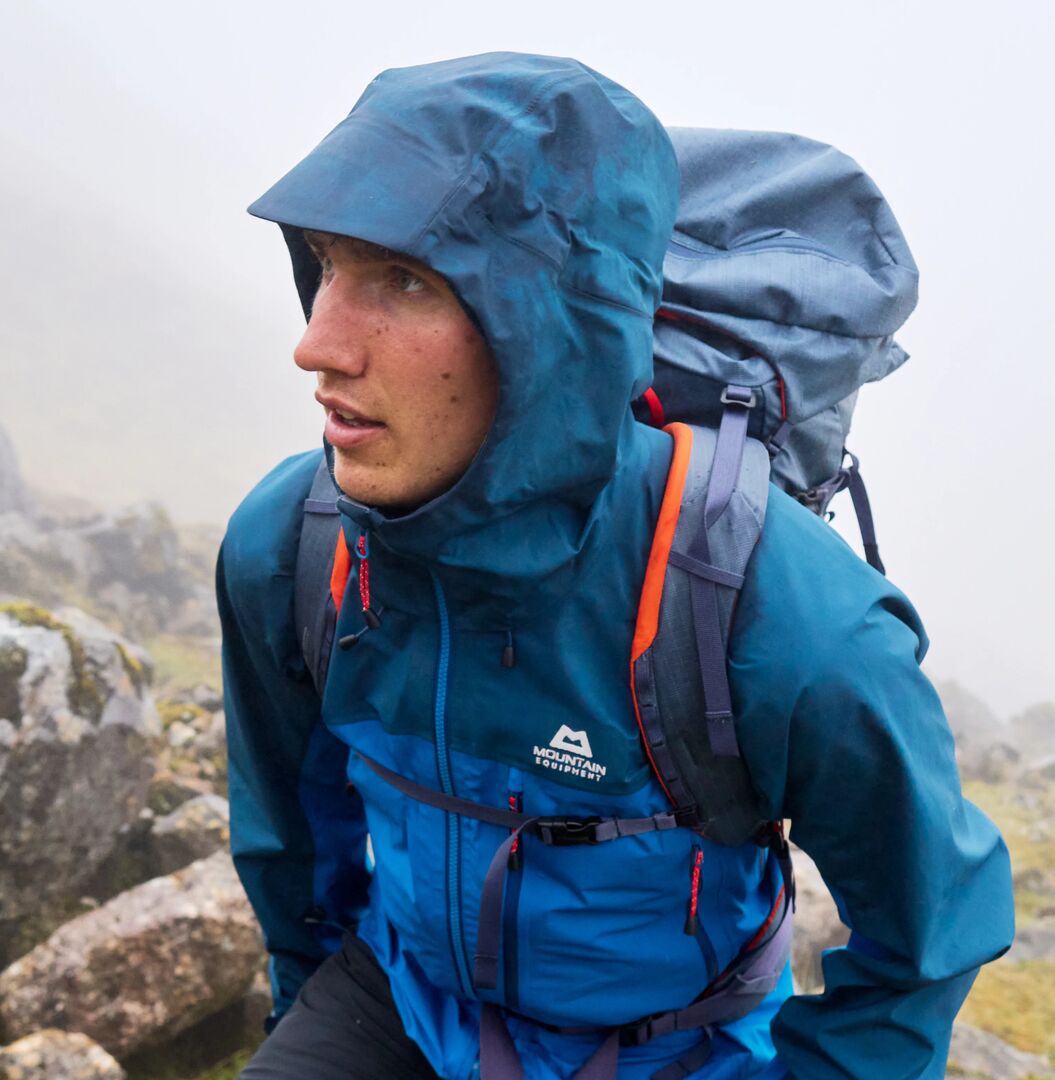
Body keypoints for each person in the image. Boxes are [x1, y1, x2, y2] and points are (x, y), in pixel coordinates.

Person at [217, 52, 1014, 1080]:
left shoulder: (782, 618)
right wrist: (304, 1025)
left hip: (679, 1050)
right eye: (326, 263)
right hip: (402, 1005)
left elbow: (925, 941)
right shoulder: (295, 544)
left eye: (402, 280)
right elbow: (294, 851)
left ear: (548, 324)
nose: (318, 344)